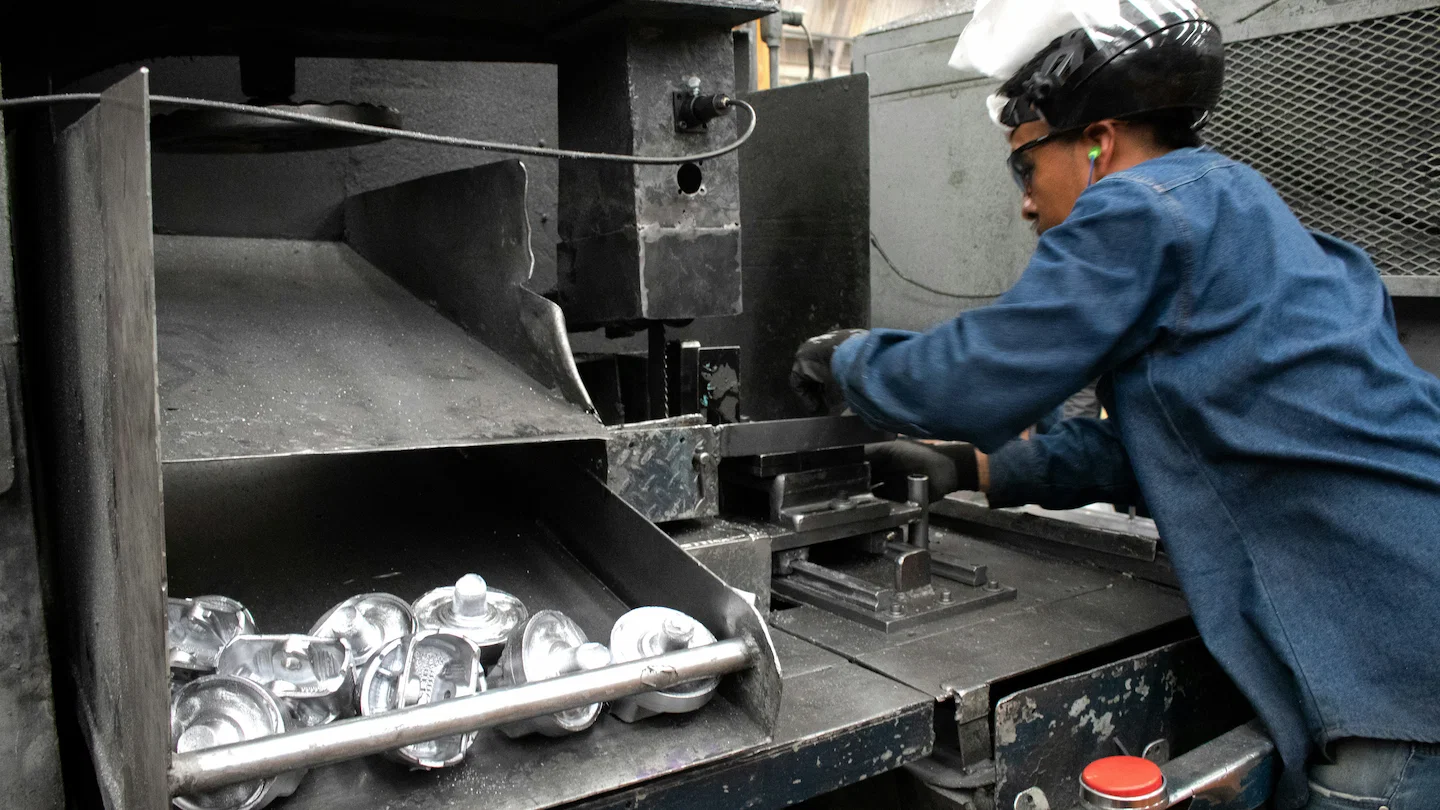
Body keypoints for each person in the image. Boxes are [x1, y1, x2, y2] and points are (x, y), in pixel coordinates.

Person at [788, 2, 1440, 808]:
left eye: (1023, 165)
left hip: (1391, 671)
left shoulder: (1141, 205)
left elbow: (980, 375)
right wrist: (970, 465)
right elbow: (1163, 449)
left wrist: (846, 360)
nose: (1025, 202)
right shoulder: (1248, 217)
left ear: (1098, 143)